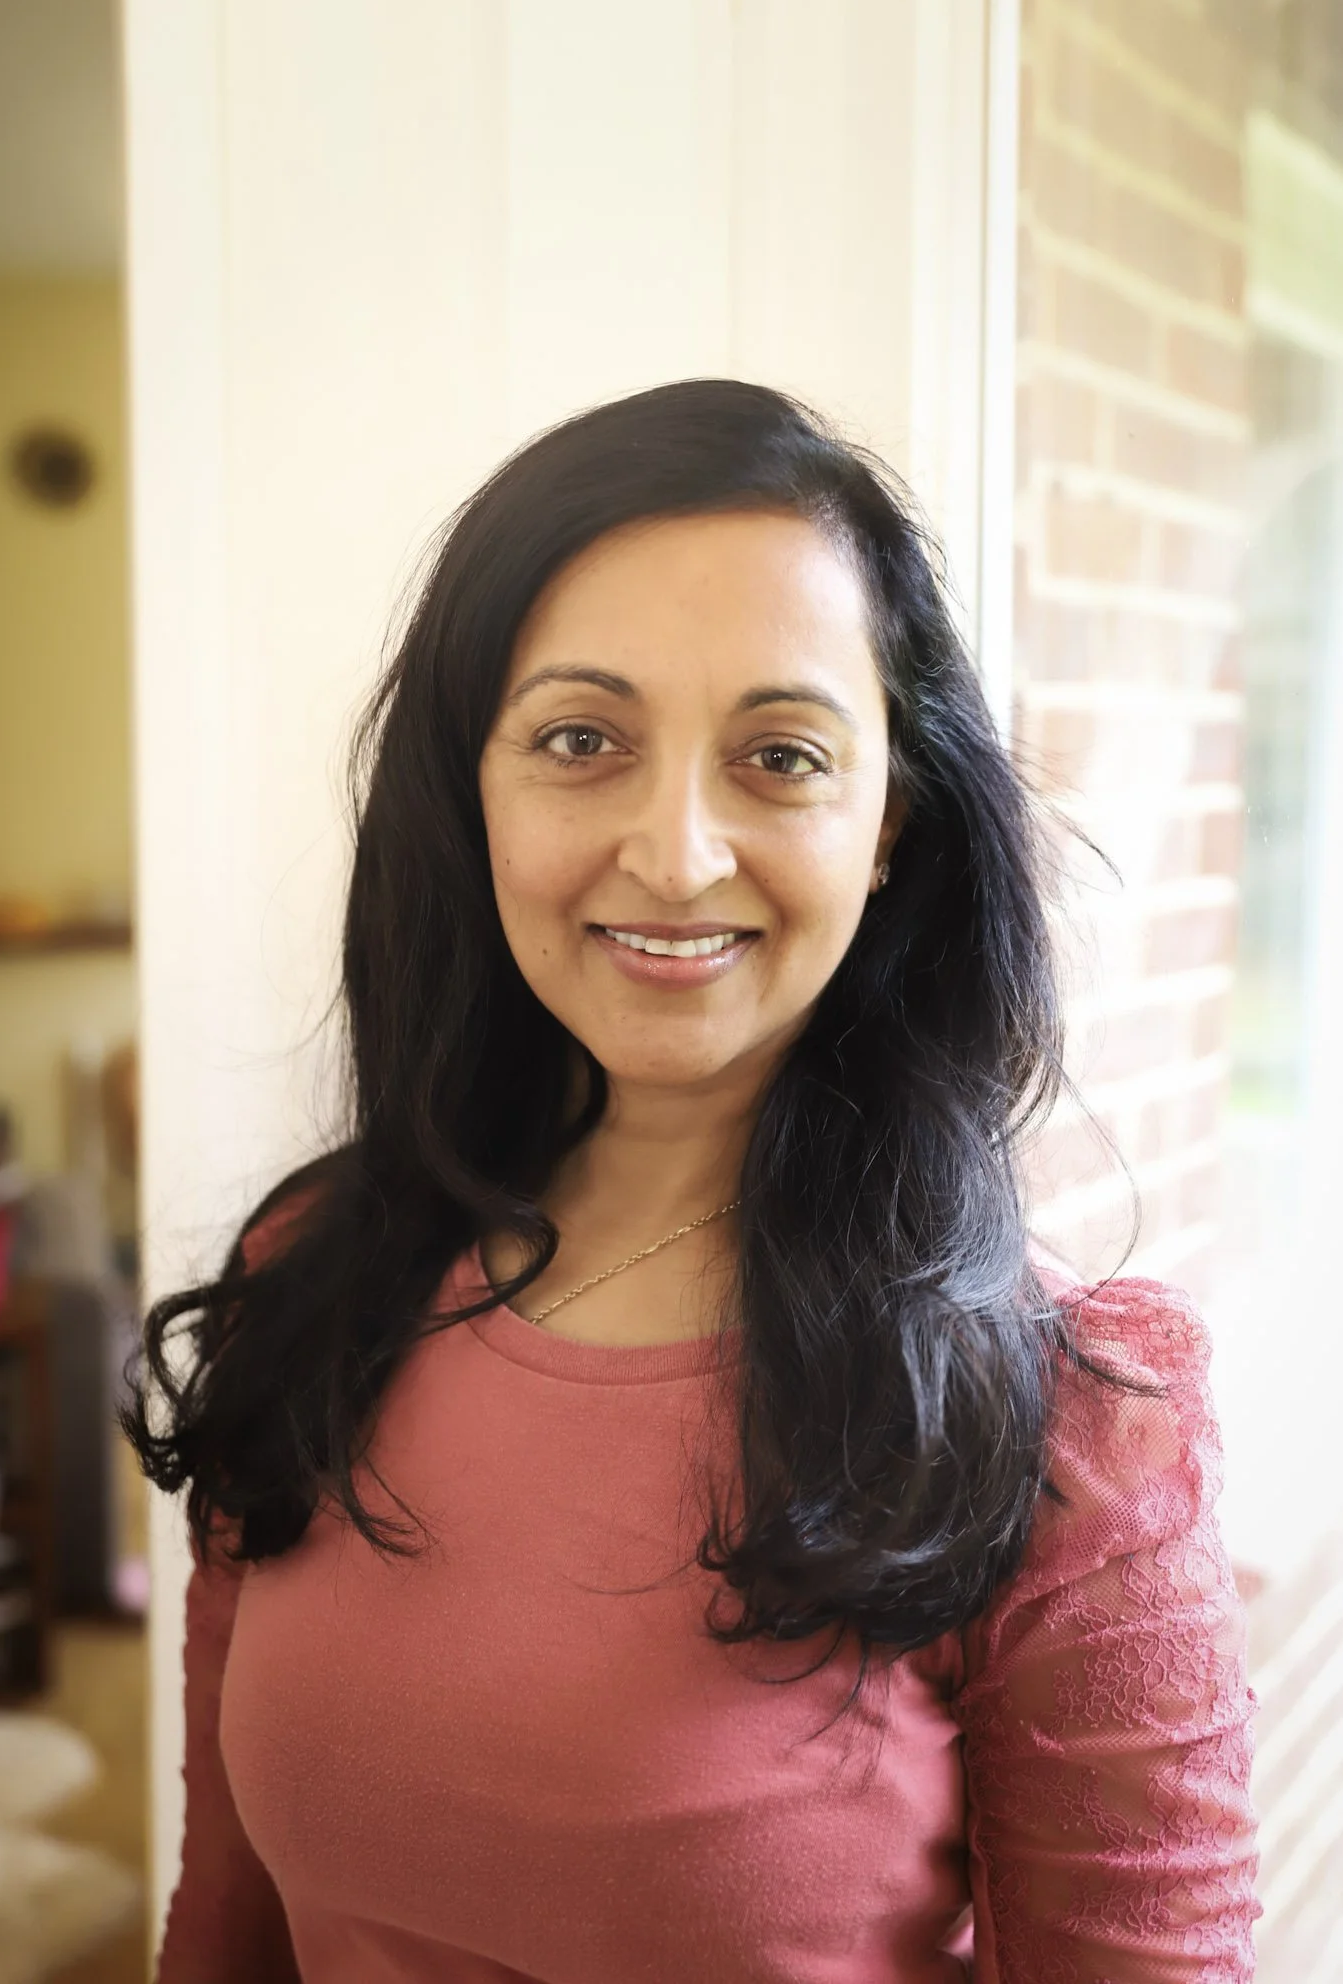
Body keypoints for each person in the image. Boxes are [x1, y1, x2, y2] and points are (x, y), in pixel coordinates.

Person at [127, 379, 1259, 1982]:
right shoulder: (313, 1279)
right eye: (582, 739)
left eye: (781, 754)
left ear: (891, 823)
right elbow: (224, 1929)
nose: (674, 854)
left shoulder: (1072, 1424)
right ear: (474, 788)